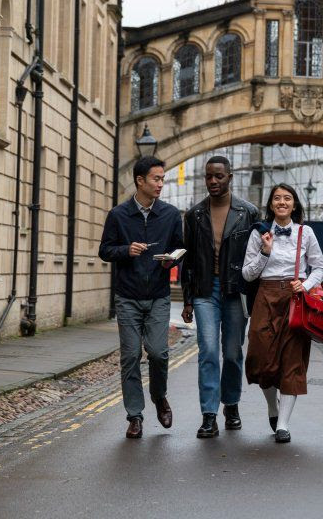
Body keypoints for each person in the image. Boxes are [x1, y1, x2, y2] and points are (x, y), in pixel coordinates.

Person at [99, 156, 183, 439]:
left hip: (158, 295)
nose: (161, 184)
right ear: (140, 181)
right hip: (128, 296)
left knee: (159, 353)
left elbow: (180, 250)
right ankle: (135, 416)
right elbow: (105, 250)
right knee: (131, 356)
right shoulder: (119, 215)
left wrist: (170, 262)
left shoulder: (170, 215)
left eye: (162, 179)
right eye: (156, 179)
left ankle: (159, 397)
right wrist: (126, 250)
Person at [242, 183, 323, 443]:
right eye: (277, 198)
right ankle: (272, 407)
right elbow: (247, 273)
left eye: (287, 198)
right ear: (270, 205)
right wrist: (265, 253)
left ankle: (283, 425)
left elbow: (320, 268)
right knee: (259, 356)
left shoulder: (306, 232)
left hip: (296, 299)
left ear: (294, 204)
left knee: (292, 361)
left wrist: (306, 284)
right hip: (265, 297)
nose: (282, 202)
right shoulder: (259, 233)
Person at [181, 156, 258, 438]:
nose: (213, 181)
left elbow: (257, 259)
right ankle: (209, 414)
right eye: (209, 177)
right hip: (205, 289)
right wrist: (188, 299)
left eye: (219, 176)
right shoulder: (194, 215)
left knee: (234, 352)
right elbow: (186, 260)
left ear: (230, 176)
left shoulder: (249, 213)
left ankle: (232, 405)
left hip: (235, 290)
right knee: (209, 351)